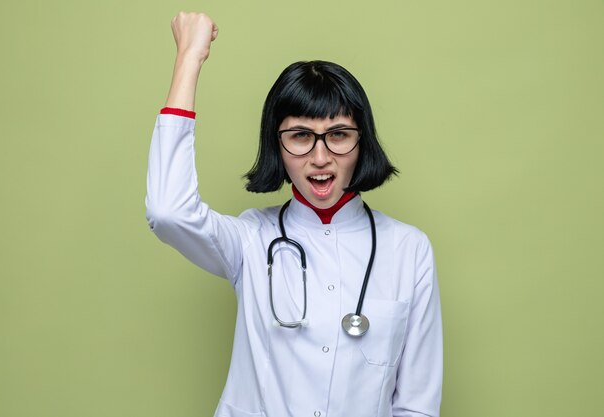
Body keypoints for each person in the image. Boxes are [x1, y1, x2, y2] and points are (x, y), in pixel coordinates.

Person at [145, 11, 443, 417]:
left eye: (338, 134)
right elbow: (168, 212)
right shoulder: (251, 240)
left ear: (362, 141)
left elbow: (417, 405)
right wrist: (190, 58)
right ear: (277, 145)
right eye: (301, 136)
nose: (320, 158)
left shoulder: (409, 250)